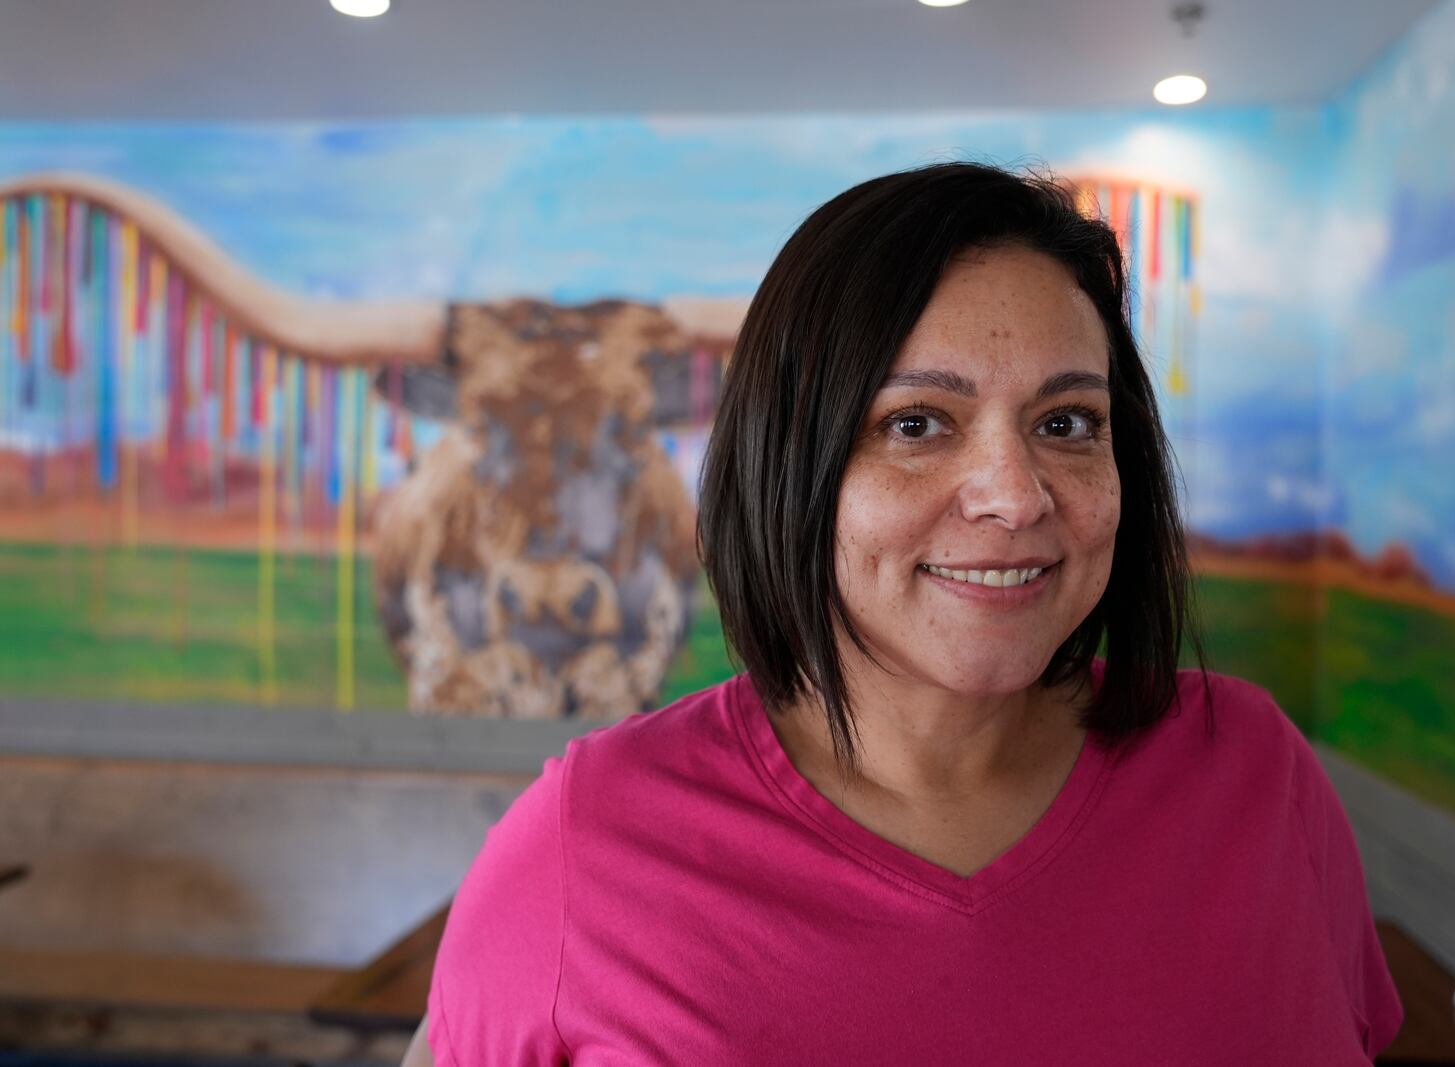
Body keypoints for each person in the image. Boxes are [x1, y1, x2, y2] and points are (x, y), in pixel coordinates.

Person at [405, 162, 1403, 1066]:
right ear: (787, 464)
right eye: (915, 423)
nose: (1014, 496)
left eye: (1067, 423)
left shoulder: (1255, 772)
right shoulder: (588, 841)